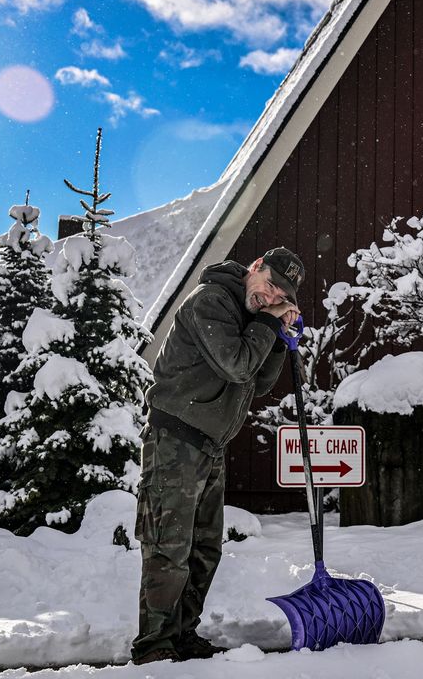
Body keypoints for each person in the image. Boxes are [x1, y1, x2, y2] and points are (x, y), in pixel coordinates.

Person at [132, 246, 304, 665]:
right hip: (175, 439)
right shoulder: (210, 300)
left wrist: (278, 339)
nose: (269, 297)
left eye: (280, 295)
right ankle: (154, 645)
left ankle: (182, 634)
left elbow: (259, 382)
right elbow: (237, 365)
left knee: (204, 549)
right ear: (255, 267)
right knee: (168, 547)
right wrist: (266, 320)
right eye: (269, 286)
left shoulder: (251, 317)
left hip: (210, 446)